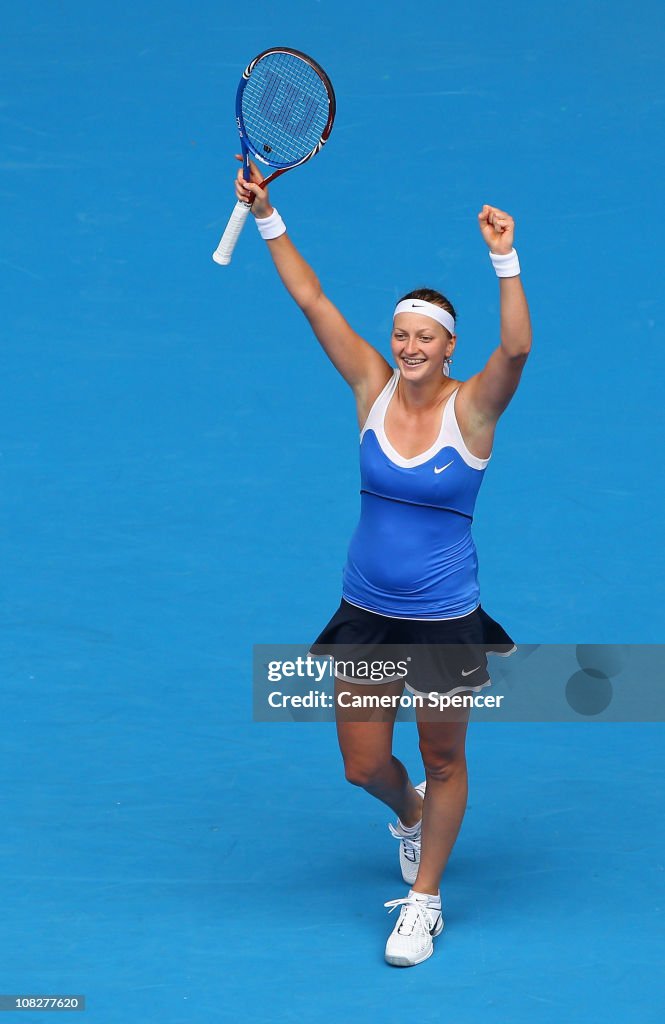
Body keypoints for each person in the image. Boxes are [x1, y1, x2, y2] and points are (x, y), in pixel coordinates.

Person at [233, 156, 532, 967]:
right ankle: (410, 818)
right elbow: (311, 301)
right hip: (365, 614)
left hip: (441, 620)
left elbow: (515, 347)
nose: (407, 347)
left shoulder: (472, 409)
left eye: (423, 338)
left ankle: (424, 902)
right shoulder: (369, 386)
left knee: (443, 756)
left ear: (447, 347)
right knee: (364, 764)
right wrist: (266, 214)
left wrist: (503, 257)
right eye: (400, 334)